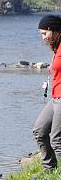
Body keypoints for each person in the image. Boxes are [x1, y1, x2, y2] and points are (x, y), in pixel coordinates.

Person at [34, 15, 61, 170]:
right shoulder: (56, 47)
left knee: (57, 140)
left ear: (54, 30)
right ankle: (50, 170)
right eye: (41, 35)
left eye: (45, 34)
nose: (43, 38)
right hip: (56, 97)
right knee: (39, 131)